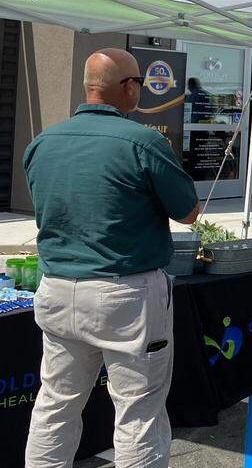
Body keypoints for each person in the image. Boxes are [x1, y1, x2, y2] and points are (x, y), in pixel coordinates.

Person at [23, 49, 200, 468]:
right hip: (125, 294)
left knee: (55, 405)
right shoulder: (141, 141)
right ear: (128, 87)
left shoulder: (42, 142)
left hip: (57, 288)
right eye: (137, 81)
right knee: (139, 414)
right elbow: (189, 211)